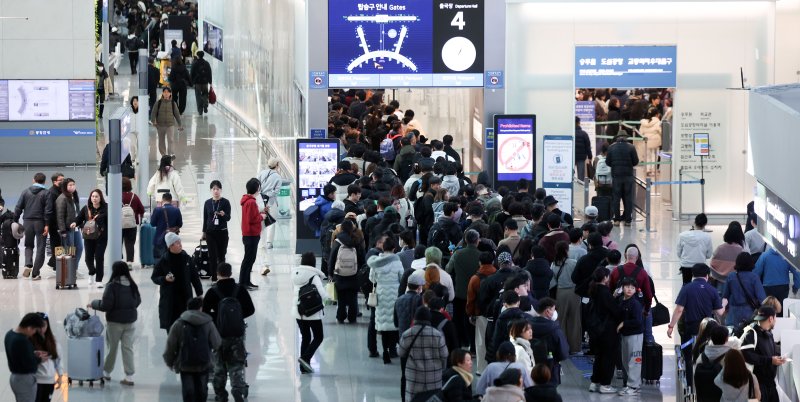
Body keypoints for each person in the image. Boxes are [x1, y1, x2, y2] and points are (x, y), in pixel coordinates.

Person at [203, 263, 255, 400]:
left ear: (217, 273)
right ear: (231, 273)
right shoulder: (240, 290)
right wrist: (237, 317)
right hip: (237, 334)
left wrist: (216, 318)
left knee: (219, 367)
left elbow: (205, 313)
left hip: (218, 335)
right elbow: (251, 309)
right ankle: (237, 388)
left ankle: (220, 394)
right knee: (236, 364)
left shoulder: (212, 291)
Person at [89, 261, 141, 386]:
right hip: (130, 322)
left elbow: (106, 305)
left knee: (112, 348)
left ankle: (106, 372)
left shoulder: (112, 286)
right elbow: (137, 302)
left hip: (114, 323)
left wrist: (94, 303)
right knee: (128, 348)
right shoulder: (133, 285)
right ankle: (129, 376)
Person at [163, 297, 222, 402]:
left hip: (185, 364)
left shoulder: (178, 324)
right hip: (204, 363)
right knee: (202, 392)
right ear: (201, 308)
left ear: (187, 308)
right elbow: (217, 343)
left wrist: (169, 361)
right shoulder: (208, 323)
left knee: (188, 393)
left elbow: (170, 345)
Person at [152, 233, 204, 334]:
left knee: (186, 327)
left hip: (185, 298)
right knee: (171, 328)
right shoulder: (163, 260)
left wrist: (200, 293)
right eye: (177, 243)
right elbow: (154, 277)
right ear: (170, 246)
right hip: (170, 300)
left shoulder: (187, 258)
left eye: (180, 242)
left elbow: (194, 277)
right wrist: (164, 279)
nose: (180, 245)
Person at [398, 306, 449, 402]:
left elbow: (401, 353)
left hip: (414, 377)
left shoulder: (407, 334)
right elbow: (444, 355)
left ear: (415, 318)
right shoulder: (437, 335)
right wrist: (441, 369)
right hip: (434, 377)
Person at [368, 236, 405, 364]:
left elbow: (372, 278)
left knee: (383, 325)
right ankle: (392, 350)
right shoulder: (397, 262)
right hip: (394, 294)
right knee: (394, 323)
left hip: (381, 293)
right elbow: (402, 278)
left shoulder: (376, 262)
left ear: (383, 248)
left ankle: (385, 353)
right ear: (394, 248)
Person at [741, 305, 785, 402]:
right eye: (775, 318)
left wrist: (778, 358)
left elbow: (770, 354)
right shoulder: (751, 333)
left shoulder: (769, 334)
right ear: (771, 318)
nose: (776, 321)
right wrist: (770, 360)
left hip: (771, 384)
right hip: (758, 386)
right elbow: (747, 355)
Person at [587, 267, 621, 394]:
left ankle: (594, 382)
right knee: (608, 357)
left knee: (599, 357)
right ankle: (605, 384)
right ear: (605, 278)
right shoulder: (605, 292)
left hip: (595, 330)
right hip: (607, 330)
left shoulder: (593, 290)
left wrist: (612, 296)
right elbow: (615, 311)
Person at [446, 229, 481, 349]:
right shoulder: (480, 256)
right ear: (477, 241)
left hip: (459, 292)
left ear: (465, 240)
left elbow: (448, 269)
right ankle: (473, 346)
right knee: (473, 320)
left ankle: (460, 343)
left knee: (459, 319)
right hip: (475, 293)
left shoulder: (457, 254)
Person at [329, 219, 366, 323]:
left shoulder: (337, 241)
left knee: (341, 297)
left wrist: (330, 273)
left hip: (339, 273)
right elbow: (362, 258)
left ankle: (341, 316)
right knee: (353, 296)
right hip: (354, 273)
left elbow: (332, 258)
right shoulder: (357, 240)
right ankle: (352, 317)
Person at [5, 313, 47, 402]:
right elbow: (29, 364)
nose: (34, 333)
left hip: (15, 377)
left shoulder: (9, 334)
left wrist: (32, 353)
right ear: (29, 328)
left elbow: (18, 355)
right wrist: (40, 359)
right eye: (34, 330)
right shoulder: (22, 340)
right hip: (24, 379)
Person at [15, 173, 49, 280]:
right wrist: (47, 224)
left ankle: (28, 264)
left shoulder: (25, 192)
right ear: (44, 181)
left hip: (27, 222)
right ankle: (35, 273)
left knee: (28, 245)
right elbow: (48, 211)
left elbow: (18, 207)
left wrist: (15, 220)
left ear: (33, 180)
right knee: (40, 247)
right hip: (40, 223)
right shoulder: (46, 193)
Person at [467, 251, 497, 374]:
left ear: (479, 263)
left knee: (481, 342)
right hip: (496, 314)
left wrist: (471, 314)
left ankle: (481, 369)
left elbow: (471, 299)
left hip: (481, 314)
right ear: (493, 262)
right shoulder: (497, 276)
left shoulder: (475, 279)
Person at [529, 297, 569, 385]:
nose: (555, 312)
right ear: (547, 311)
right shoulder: (555, 330)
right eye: (553, 310)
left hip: (530, 367)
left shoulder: (527, 326)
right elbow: (563, 353)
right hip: (550, 369)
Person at [549, 242, 580, 354]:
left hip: (560, 293)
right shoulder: (573, 263)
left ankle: (562, 346)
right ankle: (574, 347)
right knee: (574, 320)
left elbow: (552, 282)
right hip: (574, 293)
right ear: (567, 250)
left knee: (560, 320)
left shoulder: (553, 264)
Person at [615, 278, 644, 396]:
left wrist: (624, 323)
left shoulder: (635, 304)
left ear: (635, 290)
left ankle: (633, 386)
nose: (629, 289)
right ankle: (631, 384)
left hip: (635, 335)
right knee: (626, 361)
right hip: (625, 335)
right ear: (622, 288)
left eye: (632, 288)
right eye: (627, 287)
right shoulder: (621, 300)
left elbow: (638, 321)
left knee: (634, 361)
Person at [75, 189, 108, 286]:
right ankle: (92, 272)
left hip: (101, 237)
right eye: (93, 196)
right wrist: (75, 223)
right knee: (88, 258)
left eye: (96, 196)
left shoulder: (106, 208)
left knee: (99, 257)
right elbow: (79, 219)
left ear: (100, 198)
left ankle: (99, 280)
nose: (94, 198)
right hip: (88, 237)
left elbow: (109, 222)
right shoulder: (86, 208)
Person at [722, 252, 766, 327]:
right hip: (749, 312)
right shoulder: (754, 277)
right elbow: (762, 298)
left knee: (733, 332)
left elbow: (725, 296)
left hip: (733, 313)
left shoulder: (731, 276)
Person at [753, 247, 800, 316]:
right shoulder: (787, 257)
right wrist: (796, 286)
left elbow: (756, 273)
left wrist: (756, 288)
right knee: (782, 310)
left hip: (768, 287)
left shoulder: (765, 255)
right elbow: (797, 272)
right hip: (783, 287)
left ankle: (769, 322)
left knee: (768, 311)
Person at [605, 134, 639, 226]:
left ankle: (617, 220)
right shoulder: (631, 147)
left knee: (616, 198)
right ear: (626, 138)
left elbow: (607, 162)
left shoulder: (611, 147)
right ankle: (628, 220)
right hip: (628, 176)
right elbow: (636, 161)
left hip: (616, 176)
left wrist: (615, 165)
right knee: (628, 198)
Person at [240, 178, 268, 290]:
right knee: (249, 259)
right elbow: (252, 219)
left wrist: (260, 212)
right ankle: (243, 282)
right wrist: (262, 216)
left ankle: (246, 281)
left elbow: (251, 215)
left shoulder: (247, 200)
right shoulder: (251, 202)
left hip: (248, 234)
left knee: (249, 259)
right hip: (251, 234)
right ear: (257, 189)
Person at [202, 180, 232, 282]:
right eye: (214, 189)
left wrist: (224, 215)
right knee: (213, 256)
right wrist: (203, 232)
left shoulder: (225, 202)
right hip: (210, 233)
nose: (216, 191)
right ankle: (214, 278)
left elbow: (228, 218)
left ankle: (223, 277)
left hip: (222, 232)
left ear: (221, 190)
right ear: (211, 190)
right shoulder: (207, 203)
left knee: (222, 255)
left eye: (218, 189)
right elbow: (205, 218)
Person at [30, 312, 62, 402]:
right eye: (38, 326)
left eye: (44, 325)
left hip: (49, 381)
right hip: (35, 381)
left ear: (48, 325)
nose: (41, 329)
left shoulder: (52, 339)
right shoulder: (30, 339)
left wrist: (60, 376)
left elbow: (58, 359)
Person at [677, 213, 714, 285]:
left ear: (694, 222)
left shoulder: (682, 235)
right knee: (700, 285)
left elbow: (679, 253)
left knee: (686, 284)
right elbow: (709, 255)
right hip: (700, 265)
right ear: (705, 224)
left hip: (686, 265)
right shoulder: (707, 237)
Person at [711, 221, 748, 291]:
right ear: (740, 235)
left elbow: (712, 265)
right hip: (737, 282)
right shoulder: (741, 251)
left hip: (720, 281)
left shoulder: (719, 248)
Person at [150, 87, 183, 158]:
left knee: (171, 140)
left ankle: (170, 154)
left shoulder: (173, 103)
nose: (166, 93)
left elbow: (177, 114)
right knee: (161, 141)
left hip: (170, 125)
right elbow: (153, 112)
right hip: (160, 125)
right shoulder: (158, 103)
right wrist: (153, 121)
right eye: (164, 92)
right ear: (162, 93)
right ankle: (164, 155)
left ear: (170, 94)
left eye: (168, 92)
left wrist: (180, 124)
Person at [257, 157, 282, 250]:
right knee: (271, 221)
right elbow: (276, 191)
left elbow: (257, 186)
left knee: (261, 220)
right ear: (277, 165)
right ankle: (269, 242)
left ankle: (261, 243)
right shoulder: (278, 177)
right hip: (271, 202)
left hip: (260, 200)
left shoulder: (262, 173)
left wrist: (262, 194)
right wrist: (268, 195)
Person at [150, 192, 183, 261]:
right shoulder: (176, 210)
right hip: (172, 240)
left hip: (160, 239)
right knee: (172, 259)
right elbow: (180, 224)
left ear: (162, 200)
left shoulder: (157, 210)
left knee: (160, 260)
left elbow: (152, 223)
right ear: (171, 200)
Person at [121, 177, 145, 267]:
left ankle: (118, 260)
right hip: (132, 224)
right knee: (130, 243)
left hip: (119, 224)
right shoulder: (134, 196)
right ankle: (129, 262)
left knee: (118, 243)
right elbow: (141, 209)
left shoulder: (116, 196)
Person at [43, 173, 63, 269]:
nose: (63, 181)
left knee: (59, 244)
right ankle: (56, 264)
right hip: (54, 224)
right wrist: (48, 224)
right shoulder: (51, 192)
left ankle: (53, 262)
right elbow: (49, 209)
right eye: (61, 180)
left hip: (59, 222)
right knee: (57, 244)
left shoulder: (60, 190)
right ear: (54, 181)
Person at [638, 109, 662, 174]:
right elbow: (661, 131)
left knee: (648, 156)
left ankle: (648, 169)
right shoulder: (658, 122)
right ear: (657, 115)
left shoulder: (644, 122)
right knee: (655, 155)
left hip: (646, 141)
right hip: (656, 141)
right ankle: (653, 170)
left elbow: (640, 132)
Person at [191, 51, 213, 115]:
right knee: (205, 94)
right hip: (205, 82)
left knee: (198, 96)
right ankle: (205, 105)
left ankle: (200, 110)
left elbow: (192, 73)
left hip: (197, 82)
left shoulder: (195, 63)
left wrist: (192, 82)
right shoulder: (206, 63)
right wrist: (210, 81)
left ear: (197, 56)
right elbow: (209, 73)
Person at [574, 116, 592, 181]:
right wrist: (590, 156)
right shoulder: (584, 134)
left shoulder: (570, 133)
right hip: (581, 158)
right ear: (579, 123)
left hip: (571, 157)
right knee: (581, 175)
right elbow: (588, 147)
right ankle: (580, 186)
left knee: (570, 174)